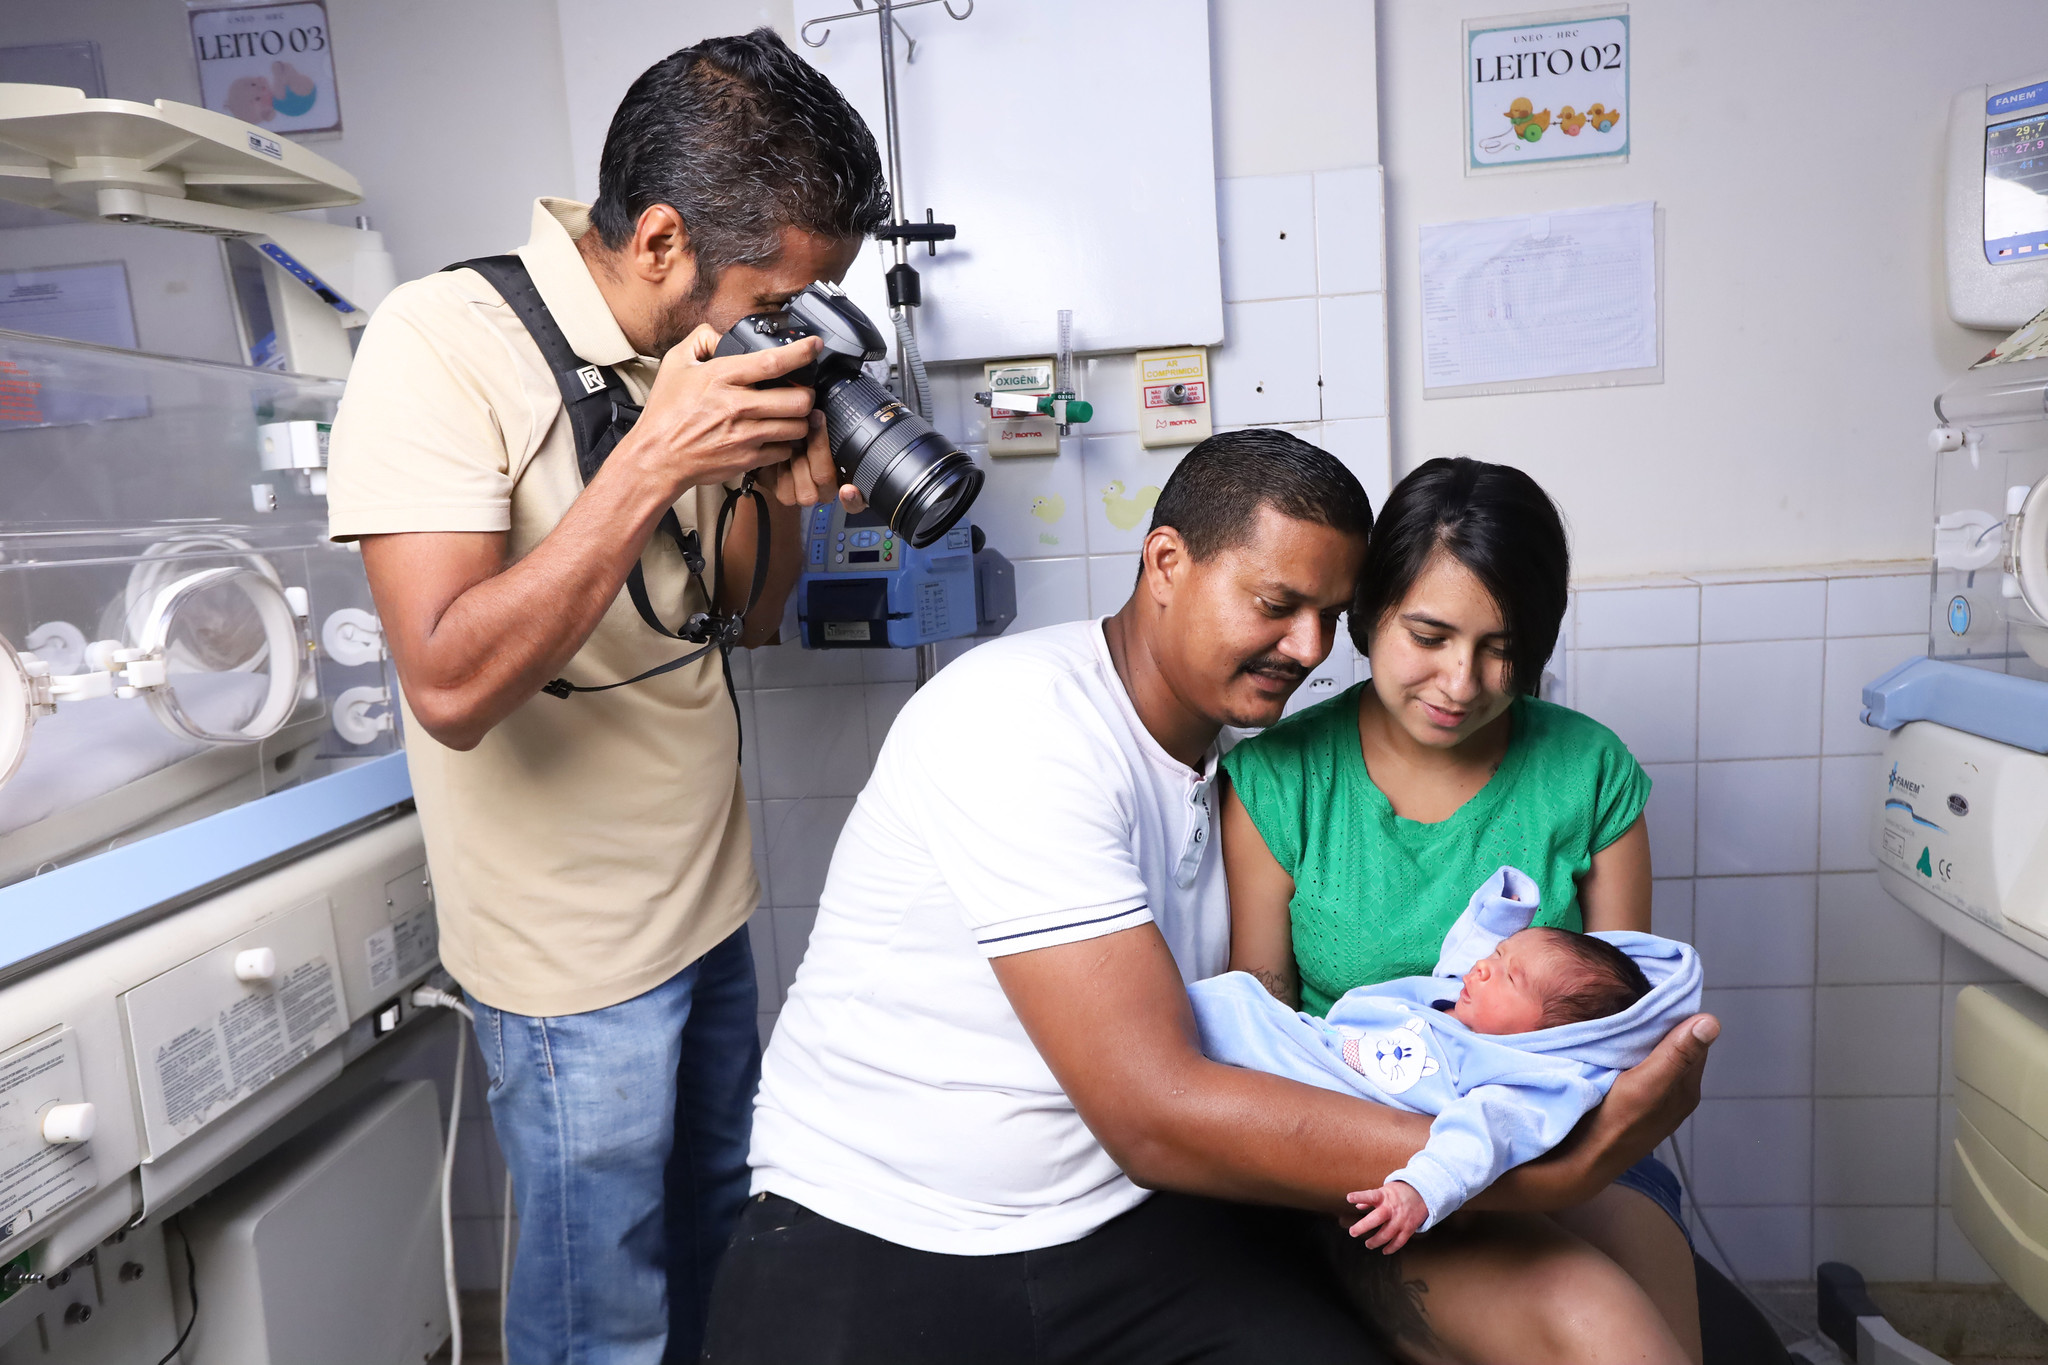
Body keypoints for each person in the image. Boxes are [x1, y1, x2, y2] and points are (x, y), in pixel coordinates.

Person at [703, 430, 1717, 1364]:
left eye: (1326, 618)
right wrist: (1523, 1169)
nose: (1309, 649)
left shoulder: (1217, 765)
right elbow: (1157, 1108)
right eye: (1276, 605)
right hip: (886, 1228)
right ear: (1164, 564)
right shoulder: (1020, 719)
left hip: (1119, 1221)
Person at [324, 30, 888, 1364]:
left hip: (708, 901)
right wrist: (651, 459)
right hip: (571, 965)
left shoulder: (698, 359)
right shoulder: (442, 343)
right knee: (605, 1320)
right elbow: (451, 682)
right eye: (779, 297)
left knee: (711, 1256)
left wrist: (771, 486)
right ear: (660, 244)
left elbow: (744, 615)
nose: (790, 330)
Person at [1221, 455, 1705, 1363]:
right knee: (1598, 1326)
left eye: (1501, 648)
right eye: (1431, 635)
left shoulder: (1590, 772)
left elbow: (1619, 1034)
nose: (1461, 680)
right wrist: (1429, 1158)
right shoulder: (1281, 778)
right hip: (1375, 1148)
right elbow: (1265, 1032)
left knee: (1662, 1336)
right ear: (1367, 616)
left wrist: (1549, 1149)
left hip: (1568, 1136)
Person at [1192, 864, 1700, 1293]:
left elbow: (1480, 1139)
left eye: (1509, 976)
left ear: (1552, 1034)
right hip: (1318, 1042)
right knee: (1233, 1003)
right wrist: (1501, 914)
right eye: (1498, 955)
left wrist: (1420, 1189)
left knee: (1230, 1016)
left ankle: (1154, 1030)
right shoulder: (1465, 1008)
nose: (1482, 970)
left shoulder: (1517, 1080)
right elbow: (1462, 962)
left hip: (1325, 1086)